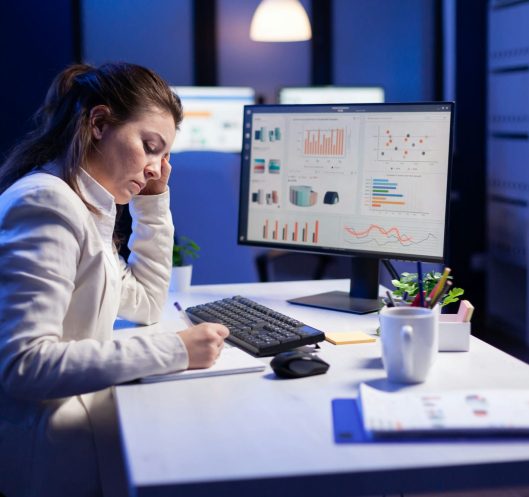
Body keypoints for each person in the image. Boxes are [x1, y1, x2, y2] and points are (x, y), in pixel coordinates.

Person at [0, 62, 229, 497]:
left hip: (75, 436)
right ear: (100, 123)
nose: (155, 169)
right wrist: (175, 350)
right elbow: (24, 366)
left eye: (164, 157)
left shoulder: (85, 207)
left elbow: (144, 301)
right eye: (149, 147)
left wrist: (153, 203)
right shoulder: (47, 205)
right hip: (48, 459)